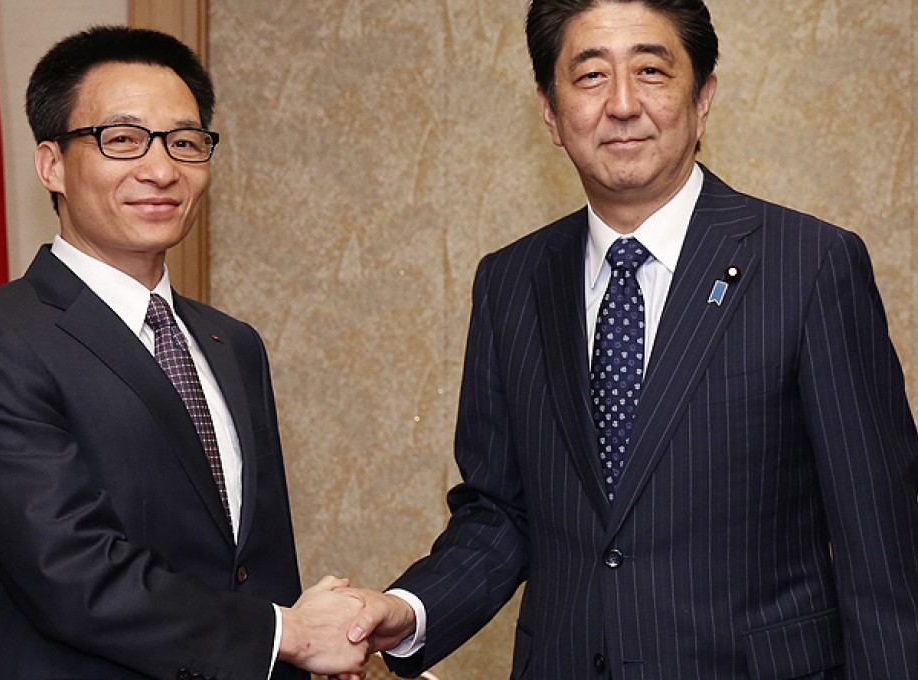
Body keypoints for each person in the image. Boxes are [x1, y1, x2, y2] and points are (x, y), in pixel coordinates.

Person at [343, 0, 918, 678]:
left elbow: (881, 548)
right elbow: (502, 513)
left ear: (703, 97)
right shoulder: (511, 282)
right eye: (589, 76)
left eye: (651, 70)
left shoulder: (809, 264)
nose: (621, 104)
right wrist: (409, 610)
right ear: (551, 112)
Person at [0, 26, 369, 680]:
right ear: (52, 165)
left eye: (186, 143)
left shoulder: (233, 343)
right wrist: (286, 633)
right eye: (122, 139)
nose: (162, 170)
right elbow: (70, 576)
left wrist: (301, 645)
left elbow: (253, 565)